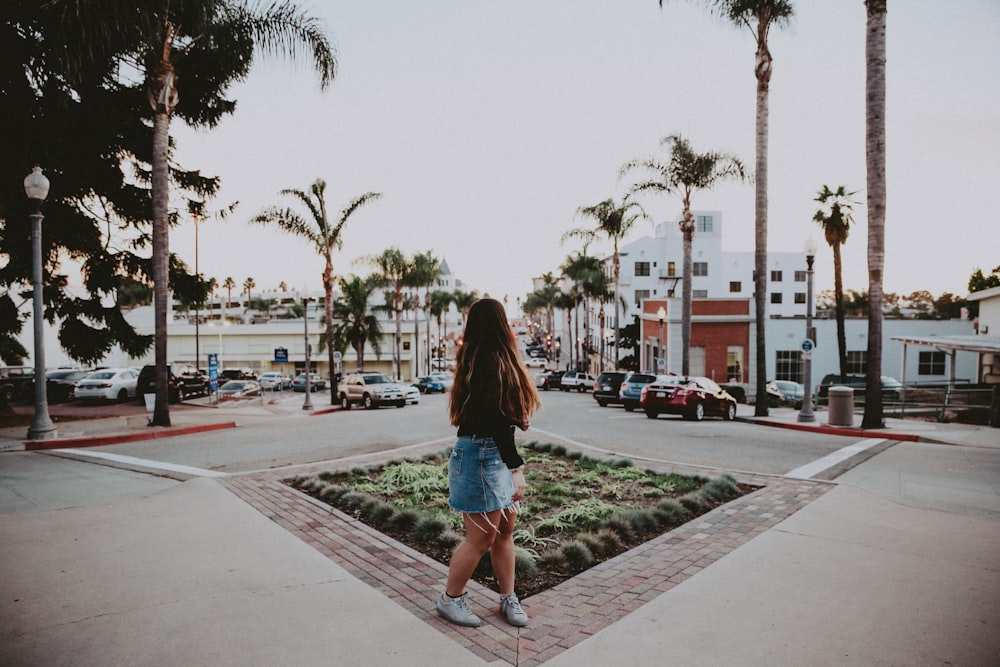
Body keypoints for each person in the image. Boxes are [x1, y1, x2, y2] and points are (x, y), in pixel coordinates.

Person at [435, 298, 542, 628]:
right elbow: (495, 422)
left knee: (505, 533)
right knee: (481, 538)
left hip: (487, 454)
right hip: (482, 456)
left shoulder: (486, 358)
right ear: (500, 323)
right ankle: (450, 599)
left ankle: (508, 598)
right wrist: (516, 468)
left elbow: (498, 417)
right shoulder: (487, 361)